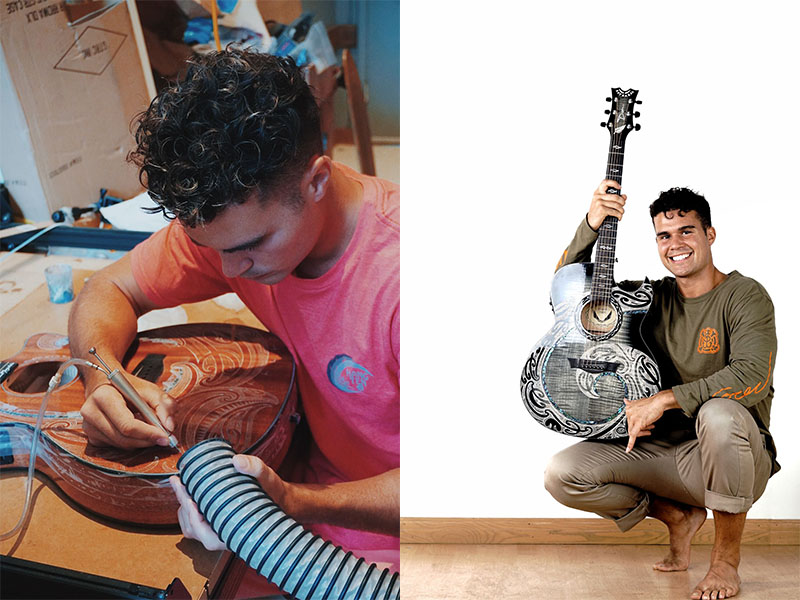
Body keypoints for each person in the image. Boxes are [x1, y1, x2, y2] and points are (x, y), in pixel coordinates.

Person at [67, 49, 399, 595]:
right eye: (205, 247)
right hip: (301, 483)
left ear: (317, 180)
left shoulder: (405, 280)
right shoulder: (233, 221)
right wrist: (102, 378)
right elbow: (107, 288)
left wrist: (292, 502)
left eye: (248, 246)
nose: (227, 270)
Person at [544, 180, 778, 600]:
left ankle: (725, 563)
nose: (675, 244)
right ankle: (677, 516)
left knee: (719, 414)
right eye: (664, 236)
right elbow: (567, 289)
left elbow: (751, 376)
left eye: (686, 231)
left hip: (729, 457)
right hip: (662, 455)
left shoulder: (745, 295)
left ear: (709, 234)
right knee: (562, 474)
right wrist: (592, 224)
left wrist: (664, 399)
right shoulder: (650, 298)